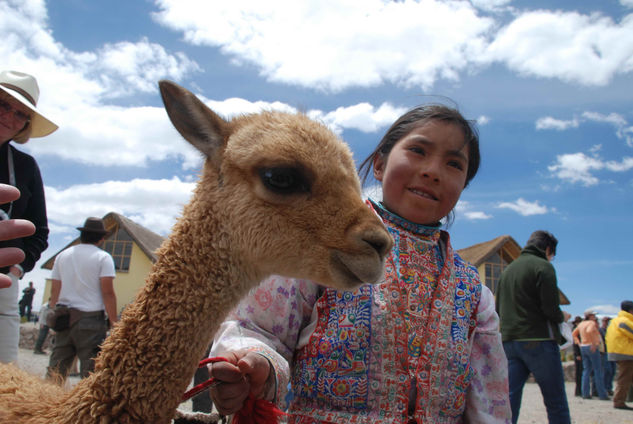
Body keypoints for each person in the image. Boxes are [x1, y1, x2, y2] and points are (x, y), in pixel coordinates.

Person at [206, 105, 511, 423]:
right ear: (379, 164)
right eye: (418, 150)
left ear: (463, 185)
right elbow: (258, 328)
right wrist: (255, 364)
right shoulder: (321, 245)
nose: (433, 171)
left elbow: (490, 402)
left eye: (454, 164)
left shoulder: (473, 292)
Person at [0, 70, 57, 363]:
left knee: (4, 380)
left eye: (21, 113)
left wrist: (18, 269)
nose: (10, 116)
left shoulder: (24, 166)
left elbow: (40, 231)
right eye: (3, 104)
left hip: (3, 286)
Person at [495, 230, 571, 424]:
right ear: (548, 249)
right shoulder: (543, 267)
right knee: (556, 400)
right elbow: (550, 308)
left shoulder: (507, 272)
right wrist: (562, 316)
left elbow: (498, 308)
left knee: (509, 400)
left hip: (509, 341)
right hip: (539, 340)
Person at [47, 217, 117, 380]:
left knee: (56, 370)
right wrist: (114, 321)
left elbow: (55, 289)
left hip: (64, 317)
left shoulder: (62, 256)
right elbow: (107, 292)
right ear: (101, 238)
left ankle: (46, 402)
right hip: (90, 320)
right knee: (91, 373)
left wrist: (51, 310)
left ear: (83, 235)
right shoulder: (103, 257)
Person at [572, 310, 608, 400]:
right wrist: (594, 343)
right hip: (591, 347)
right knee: (597, 370)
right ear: (590, 316)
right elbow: (589, 330)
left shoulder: (581, 324)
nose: (595, 317)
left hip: (583, 347)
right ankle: (602, 394)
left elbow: (574, 334)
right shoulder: (591, 323)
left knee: (586, 370)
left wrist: (579, 343)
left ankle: (585, 393)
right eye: (594, 315)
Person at [605, 300, 633, 410]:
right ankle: (619, 402)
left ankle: (619, 400)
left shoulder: (615, 321)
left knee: (626, 377)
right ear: (630, 310)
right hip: (626, 353)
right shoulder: (624, 321)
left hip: (620, 352)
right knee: (624, 378)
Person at [600, 316, 615, 396]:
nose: (607, 322)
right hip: (604, 353)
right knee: (607, 370)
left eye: (608, 321)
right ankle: (605, 388)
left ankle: (609, 388)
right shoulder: (600, 330)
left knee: (612, 371)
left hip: (611, 352)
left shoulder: (610, 330)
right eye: (606, 321)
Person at [571, 316, 584, 397]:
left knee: (580, 373)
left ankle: (579, 390)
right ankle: (578, 390)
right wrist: (577, 354)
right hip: (578, 354)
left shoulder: (577, 330)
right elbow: (575, 344)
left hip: (579, 353)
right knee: (579, 373)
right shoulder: (576, 331)